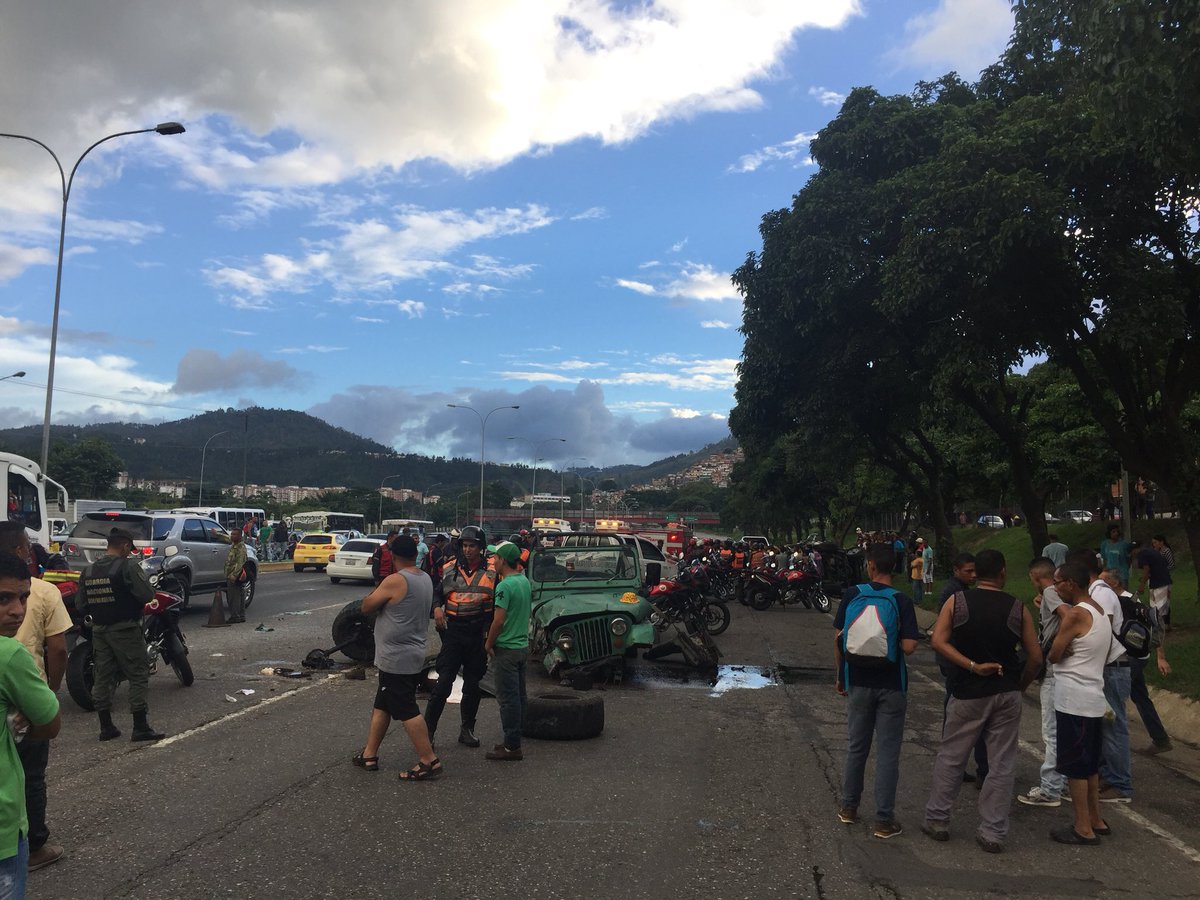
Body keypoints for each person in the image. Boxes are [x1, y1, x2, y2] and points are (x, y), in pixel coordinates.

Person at [922, 549, 1041, 853]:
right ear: (1002, 573)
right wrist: (1020, 685)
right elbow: (1035, 657)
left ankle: (937, 819)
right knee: (1002, 763)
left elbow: (938, 640)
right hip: (1006, 692)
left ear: (977, 574)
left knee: (952, 756)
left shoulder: (958, 602)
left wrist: (970, 666)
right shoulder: (1018, 608)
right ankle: (993, 831)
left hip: (968, 691)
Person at [833, 542, 920, 840]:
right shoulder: (902, 600)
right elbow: (909, 646)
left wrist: (841, 676)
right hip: (892, 685)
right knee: (887, 752)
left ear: (869, 565)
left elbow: (838, 639)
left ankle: (848, 808)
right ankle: (884, 821)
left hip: (856, 679)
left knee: (857, 747)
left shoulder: (852, 594)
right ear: (894, 568)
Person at [0, 525, 70, 871]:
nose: (17, 609)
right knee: (30, 778)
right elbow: (58, 648)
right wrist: (49, 696)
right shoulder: (9, 653)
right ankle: (36, 846)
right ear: (18, 550)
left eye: (21, 599)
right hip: (28, 704)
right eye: (5, 599)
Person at [351, 535, 440, 781]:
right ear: (416, 554)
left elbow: (367, 606)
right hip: (412, 652)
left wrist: (375, 593)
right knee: (383, 704)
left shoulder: (395, 580)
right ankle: (369, 755)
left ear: (393, 556)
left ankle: (428, 760)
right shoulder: (425, 579)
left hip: (396, 657)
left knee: (406, 708)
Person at [1046, 561, 1112, 845]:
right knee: (1090, 765)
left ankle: (1083, 826)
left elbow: (1054, 653)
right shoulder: (1099, 611)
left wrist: (1059, 646)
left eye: (1057, 581)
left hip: (1073, 698)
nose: (1054, 587)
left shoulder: (1074, 615)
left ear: (1071, 583)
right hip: (1094, 695)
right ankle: (1096, 819)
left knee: (1075, 766)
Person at [81, 528, 165, 742]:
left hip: (100, 631)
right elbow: (147, 594)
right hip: (125, 630)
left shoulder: (89, 571)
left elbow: (81, 605)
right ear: (125, 546)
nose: (130, 553)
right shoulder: (127, 566)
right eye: (130, 549)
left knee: (103, 676)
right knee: (138, 674)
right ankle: (140, 726)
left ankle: (106, 727)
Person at [1067, 549, 1131, 803]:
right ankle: (1107, 774)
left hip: (1113, 667)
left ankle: (1120, 783)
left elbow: (1102, 631)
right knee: (1104, 726)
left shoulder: (1102, 594)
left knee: (1114, 727)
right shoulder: (1094, 593)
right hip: (1104, 667)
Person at [424, 525, 494, 748]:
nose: (468, 550)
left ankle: (467, 730)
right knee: (443, 683)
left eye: (472, 546)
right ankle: (428, 733)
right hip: (454, 632)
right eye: (464, 545)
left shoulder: (493, 570)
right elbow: (436, 592)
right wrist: (436, 607)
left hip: (477, 634)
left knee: (473, 685)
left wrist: (489, 636)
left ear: (481, 547)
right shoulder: (449, 568)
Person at [1017, 557, 1071, 808]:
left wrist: (1061, 643)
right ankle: (1065, 780)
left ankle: (1050, 788)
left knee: (1051, 731)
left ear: (1036, 576)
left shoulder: (1050, 591)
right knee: (1065, 728)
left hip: (1053, 666)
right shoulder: (1059, 593)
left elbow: (1066, 615)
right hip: (1067, 670)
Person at [1102, 568, 1172, 754]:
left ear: (1115, 583)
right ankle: (1160, 739)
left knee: (1111, 699)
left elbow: (1148, 627)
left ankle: (1112, 750)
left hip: (1129, 658)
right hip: (1136, 657)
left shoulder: (1123, 600)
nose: (1098, 585)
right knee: (1140, 696)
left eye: (1103, 581)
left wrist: (1161, 656)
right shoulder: (1124, 599)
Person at [937, 553, 987, 785]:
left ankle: (977, 767)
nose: (973, 575)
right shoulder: (953, 594)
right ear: (957, 570)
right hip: (958, 665)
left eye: (975, 570)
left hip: (964, 663)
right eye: (968, 571)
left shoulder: (965, 592)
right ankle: (957, 767)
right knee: (960, 719)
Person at [484, 541, 530, 761]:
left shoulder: (504, 586)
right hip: (521, 647)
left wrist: (488, 643)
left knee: (507, 699)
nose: (493, 562)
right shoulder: (524, 581)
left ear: (503, 560)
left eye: (495, 558)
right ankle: (516, 738)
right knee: (519, 696)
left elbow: (498, 621)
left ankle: (512, 746)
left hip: (507, 649)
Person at [1135, 537, 1173, 626]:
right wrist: (1145, 578)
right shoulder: (1150, 552)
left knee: (1158, 607)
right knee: (1159, 605)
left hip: (1160, 582)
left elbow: (1146, 569)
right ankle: (1163, 625)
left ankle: (1159, 627)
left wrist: (1142, 585)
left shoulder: (1142, 554)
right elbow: (1152, 568)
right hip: (1161, 580)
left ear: (1135, 550)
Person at [224, 528, 248, 624]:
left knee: (233, 597)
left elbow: (239, 563)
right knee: (239, 595)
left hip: (235, 575)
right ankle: (240, 615)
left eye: (235, 534)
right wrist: (216, 534)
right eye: (232, 534)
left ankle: (235, 616)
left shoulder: (240, 548)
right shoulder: (234, 544)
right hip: (233, 574)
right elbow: (226, 538)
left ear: (239, 536)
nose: (232, 536)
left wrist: (234, 575)